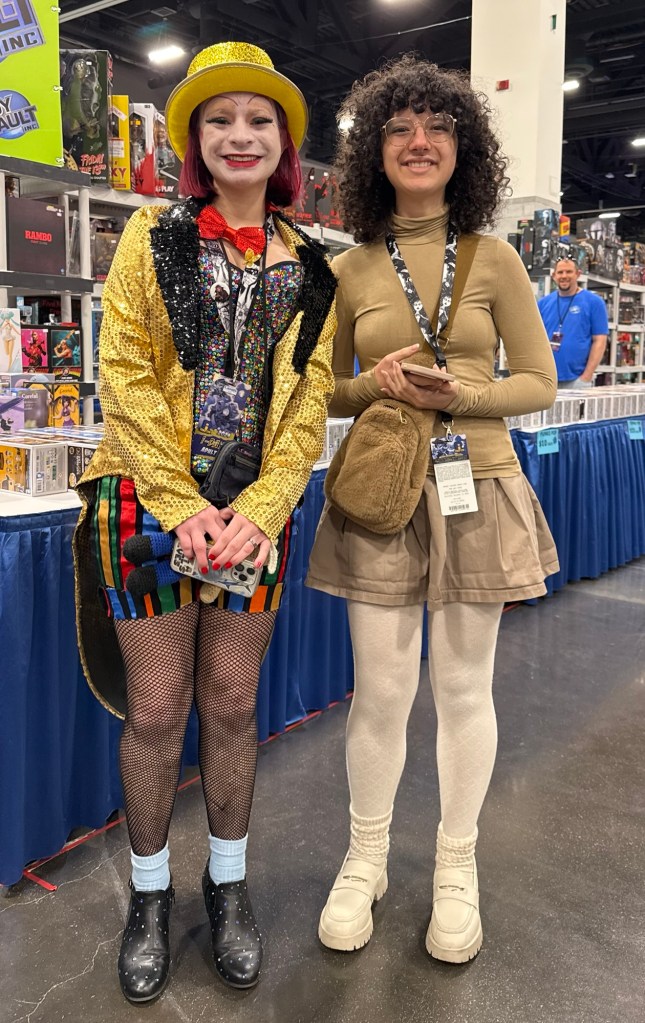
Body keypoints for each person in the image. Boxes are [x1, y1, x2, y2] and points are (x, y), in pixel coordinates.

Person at [72, 41, 336, 1003]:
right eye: (218, 119)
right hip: (141, 505)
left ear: (284, 143)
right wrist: (182, 506)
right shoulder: (151, 236)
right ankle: (149, 897)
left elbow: (307, 403)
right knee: (155, 710)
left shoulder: (314, 264)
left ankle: (228, 887)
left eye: (259, 119)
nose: (239, 134)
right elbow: (124, 374)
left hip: (253, 521)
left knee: (229, 703)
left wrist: (259, 509)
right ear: (194, 139)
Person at [306, 53, 559, 964]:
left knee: (461, 688)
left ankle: (457, 864)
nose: (419, 141)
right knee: (379, 691)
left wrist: (464, 395)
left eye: (438, 127)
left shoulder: (495, 259)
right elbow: (317, 390)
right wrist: (370, 386)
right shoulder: (348, 268)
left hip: (474, 487)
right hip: (379, 493)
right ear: (375, 151)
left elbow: (539, 380)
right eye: (400, 128)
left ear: (463, 147)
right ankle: (364, 857)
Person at [537, 256, 608, 387]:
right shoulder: (543, 304)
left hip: (577, 381)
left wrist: (586, 376)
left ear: (578, 274)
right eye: (560, 272)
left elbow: (600, 340)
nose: (564, 276)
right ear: (554, 276)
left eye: (569, 272)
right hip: (546, 379)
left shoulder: (594, 302)